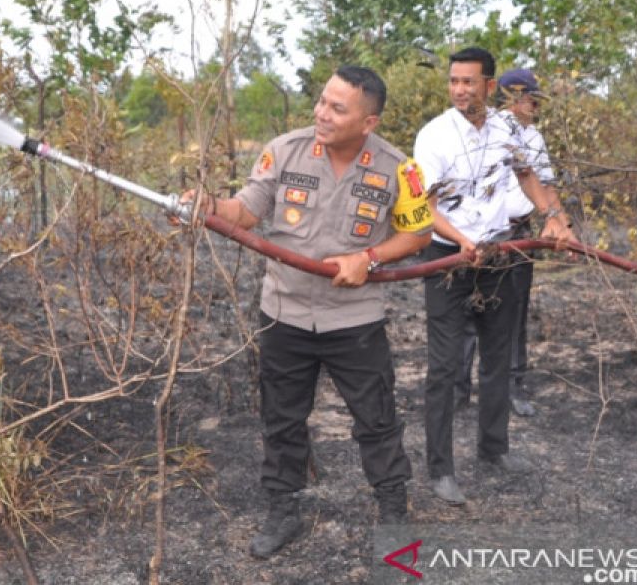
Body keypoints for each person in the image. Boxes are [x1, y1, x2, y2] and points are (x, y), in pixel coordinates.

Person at [179, 66, 433, 559]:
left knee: (376, 419)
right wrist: (208, 204)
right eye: (322, 101)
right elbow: (246, 210)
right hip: (285, 313)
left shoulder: (400, 169)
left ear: (369, 122)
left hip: (354, 318)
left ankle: (393, 513)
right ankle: (283, 510)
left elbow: (418, 235)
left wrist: (370, 257)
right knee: (282, 419)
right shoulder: (286, 149)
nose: (322, 113)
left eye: (338, 108)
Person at [413, 48, 575, 506]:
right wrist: (461, 241)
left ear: (489, 87)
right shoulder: (434, 136)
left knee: (498, 354)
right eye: (454, 81)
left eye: (470, 82)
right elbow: (424, 208)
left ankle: (494, 447)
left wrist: (553, 216)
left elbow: (528, 177)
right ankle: (441, 469)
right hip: (450, 259)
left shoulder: (508, 130)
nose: (461, 90)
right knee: (444, 366)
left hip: (502, 254)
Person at [454, 68, 560, 418]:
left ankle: (512, 385)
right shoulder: (484, 129)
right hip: (478, 234)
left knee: (514, 312)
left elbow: (545, 184)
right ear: (515, 97)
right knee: (470, 310)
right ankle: (459, 390)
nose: (535, 106)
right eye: (531, 99)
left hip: (518, 235)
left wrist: (558, 220)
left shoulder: (535, 137)